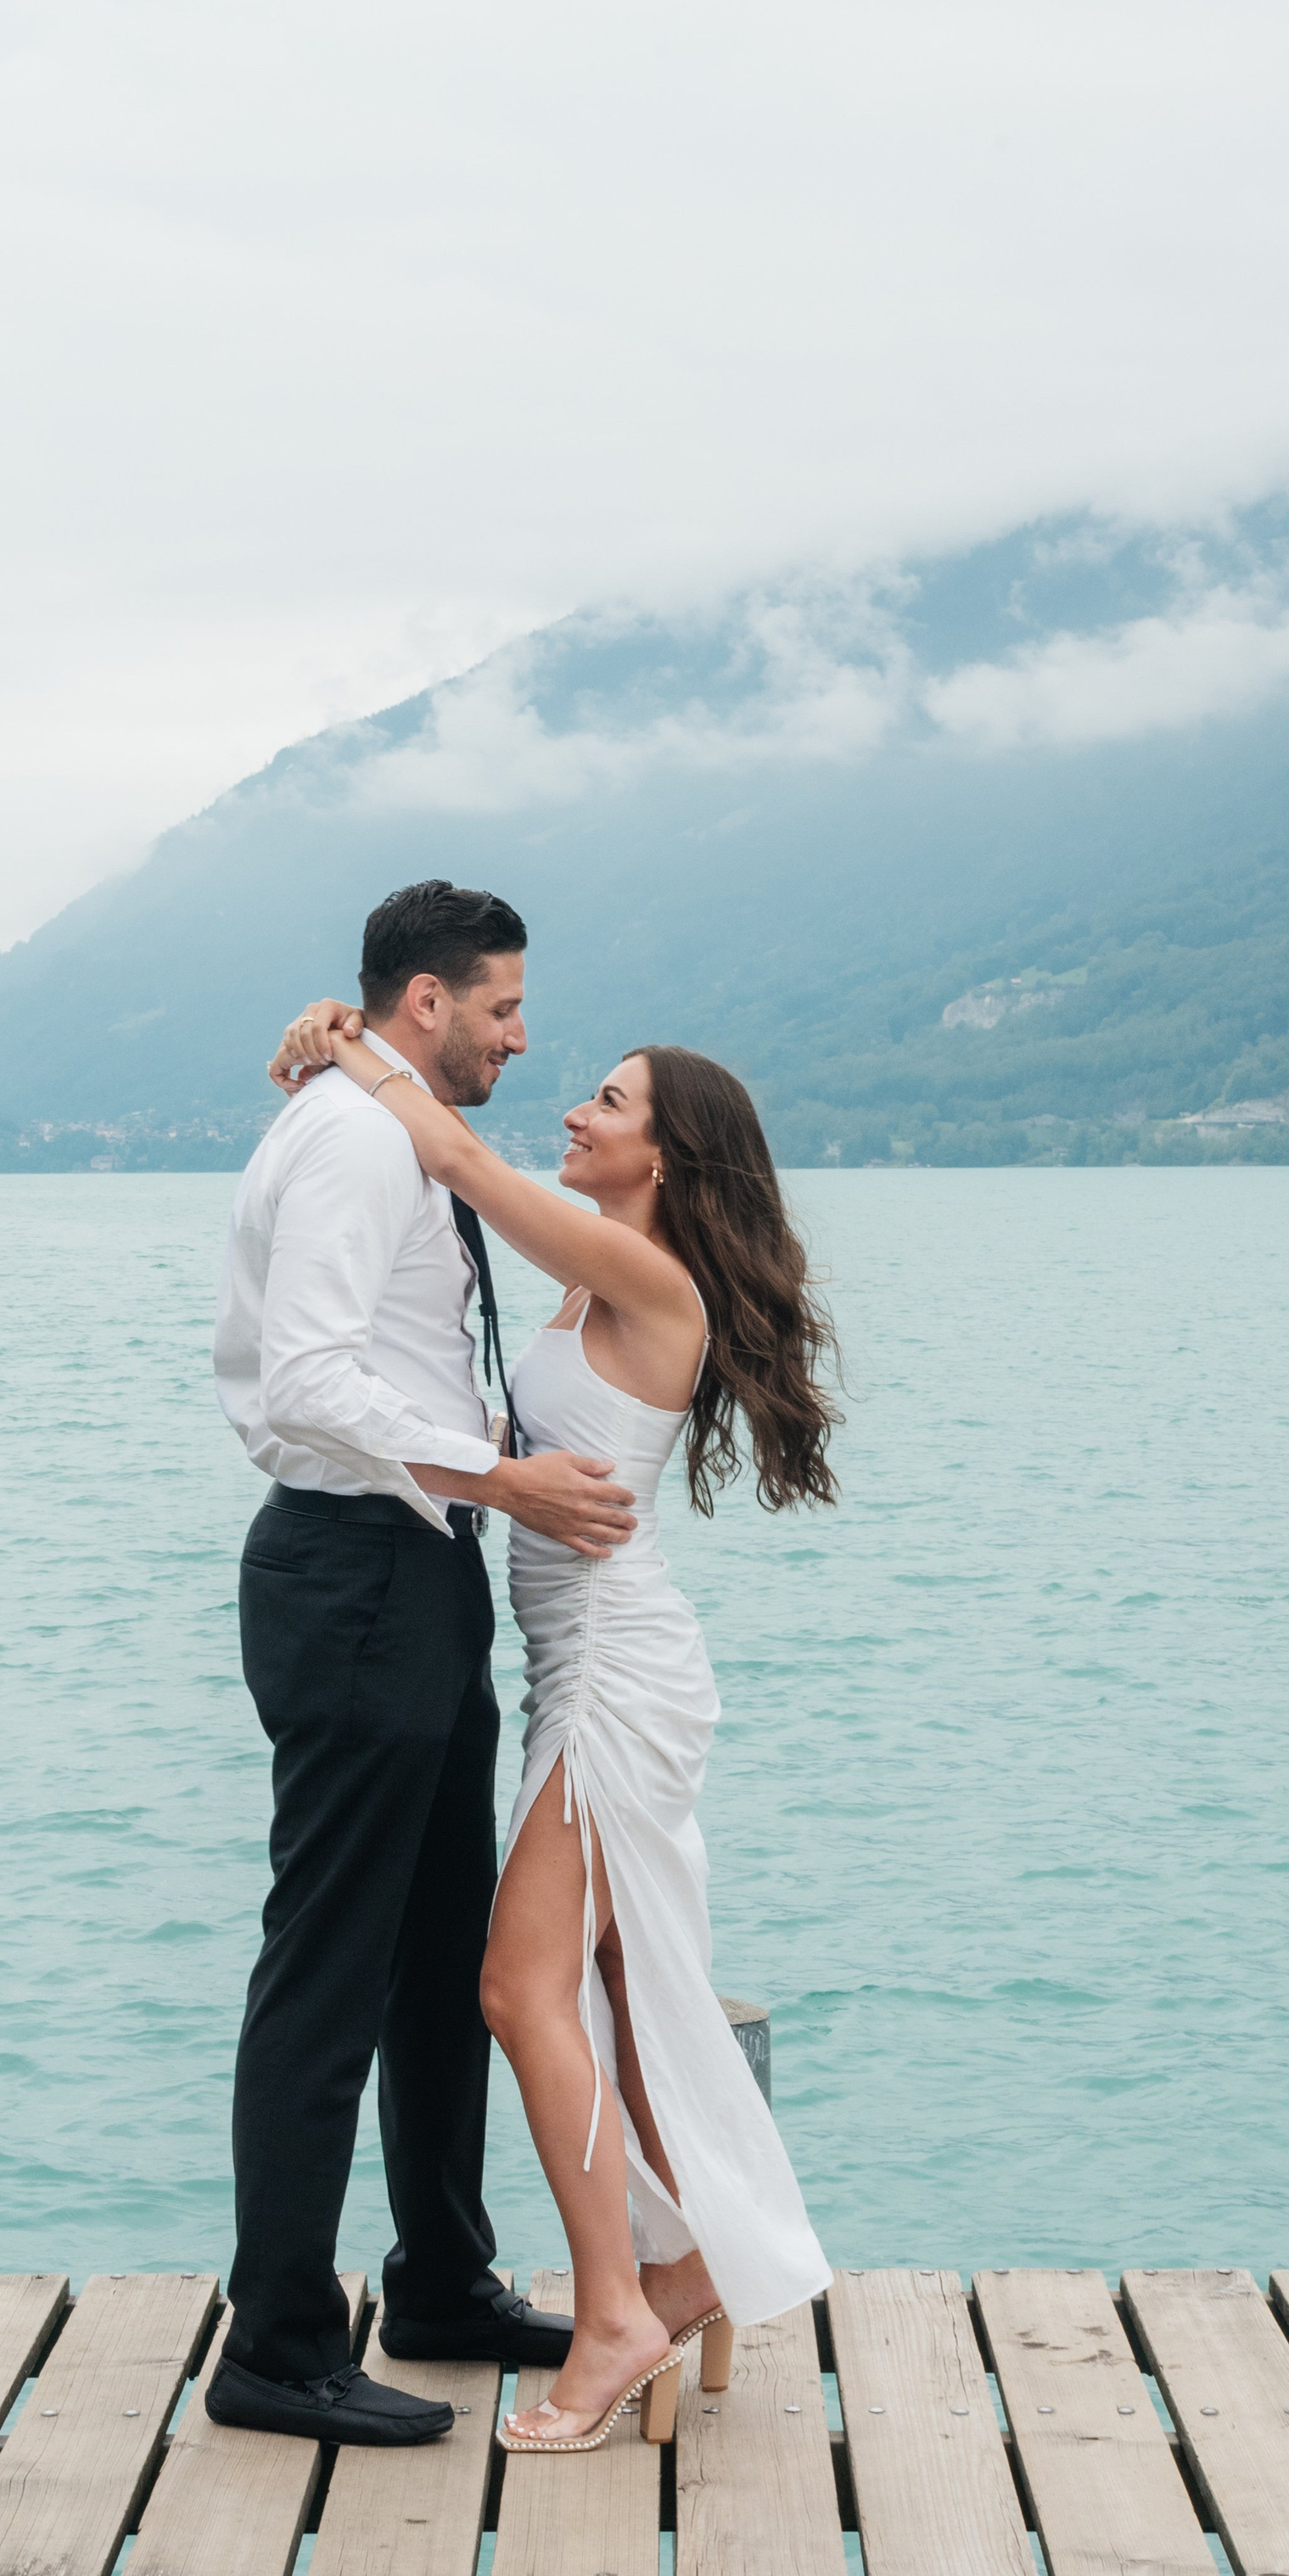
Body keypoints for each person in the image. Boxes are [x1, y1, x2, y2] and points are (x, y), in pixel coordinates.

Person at [268, 991, 838, 2452]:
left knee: (521, 1991)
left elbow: (461, 1166)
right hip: (574, 1664)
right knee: (623, 1991)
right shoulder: (600, 1287)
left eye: (608, 1101)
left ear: (668, 1158)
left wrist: (351, 1048)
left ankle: (611, 2317)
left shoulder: (644, 1276)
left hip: (614, 1674)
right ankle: (690, 2253)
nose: (576, 1110)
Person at [209, 879, 646, 2449]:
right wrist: (497, 1475)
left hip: (419, 1568)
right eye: (504, 1008)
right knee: (327, 1962)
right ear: (424, 1003)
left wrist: (481, 1487)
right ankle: (275, 2339)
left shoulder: (386, 1115)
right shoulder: (345, 1138)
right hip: (359, 1568)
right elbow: (315, 1379)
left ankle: (445, 2277)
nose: (525, 1037)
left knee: (441, 1951)